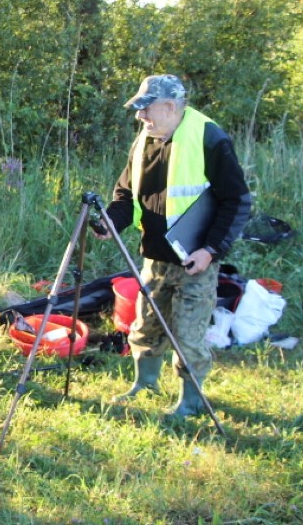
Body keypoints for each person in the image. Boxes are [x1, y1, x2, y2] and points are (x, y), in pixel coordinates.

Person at [93, 74, 251, 417]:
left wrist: (210, 250)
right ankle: (144, 384)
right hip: (155, 258)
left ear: (169, 107)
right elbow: (126, 195)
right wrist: (112, 223)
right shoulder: (144, 141)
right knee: (146, 326)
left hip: (196, 262)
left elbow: (237, 201)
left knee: (187, 334)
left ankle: (190, 402)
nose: (140, 117)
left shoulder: (209, 138)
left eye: (145, 109)